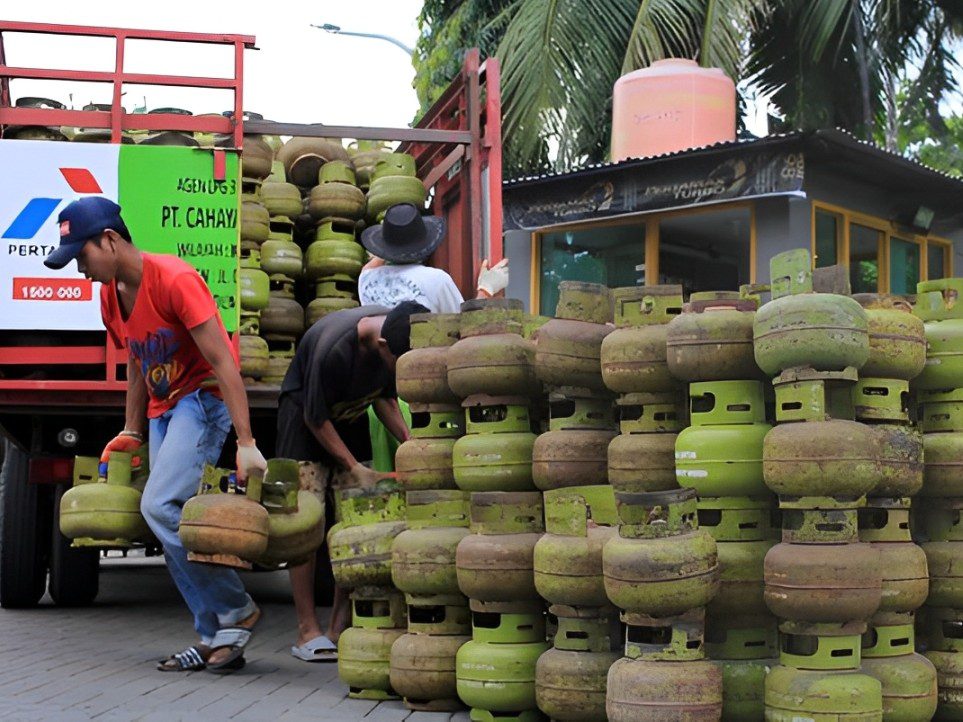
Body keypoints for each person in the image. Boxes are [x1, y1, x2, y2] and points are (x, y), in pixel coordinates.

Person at [44, 197, 267, 675]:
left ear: (110, 240)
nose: (79, 269)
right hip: (165, 407)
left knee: (159, 505)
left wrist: (246, 443)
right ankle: (214, 635)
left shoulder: (175, 280)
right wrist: (131, 428)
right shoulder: (110, 294)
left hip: (203, 400)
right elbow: (138, 361)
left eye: (81, 256)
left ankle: (235, 610)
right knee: (169, 517)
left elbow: (225, 363)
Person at [277, 301, 428, 662]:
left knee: (356, 525)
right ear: (381, 347)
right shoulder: (334, 348)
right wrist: (352, 466)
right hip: (304, 421)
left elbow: (385, 400)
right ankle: (308, 630)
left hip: (349, 419)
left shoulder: (395, 333)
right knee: (305, 527)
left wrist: (411, 444)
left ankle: (338, 627)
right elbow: (315, 417)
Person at [358, 203, 510, 312]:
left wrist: (389, 240)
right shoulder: (436, 280)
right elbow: (462, 326)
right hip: (423, 356)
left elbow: (368, 268)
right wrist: (486, 290)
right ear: (426, 244)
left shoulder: (366, 280)